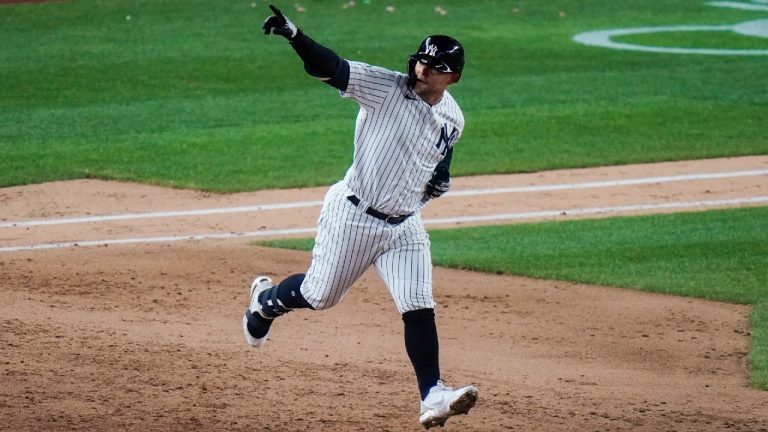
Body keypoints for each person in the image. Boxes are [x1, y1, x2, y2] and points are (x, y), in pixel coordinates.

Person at [243, 4, 478, 429]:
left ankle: (433, 394)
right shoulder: (384, 87)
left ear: (452, 77)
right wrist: (295, 36)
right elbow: (331, 67)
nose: (424, 68)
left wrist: (441, 176)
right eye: (422, 59)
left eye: (435, 66)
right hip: (353, 217)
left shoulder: (453, 116)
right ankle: (264, 305)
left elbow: (441, 154)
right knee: (320, 295)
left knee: (418, 304)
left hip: (404, 225)